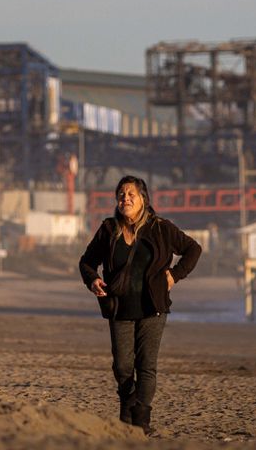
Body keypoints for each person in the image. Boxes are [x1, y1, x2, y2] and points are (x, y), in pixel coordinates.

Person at [79, 175, 202, 436]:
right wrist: (93, 280)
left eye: (131, 194)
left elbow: (193, 249)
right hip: (119, 307)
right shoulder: (108, 229)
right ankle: (128, 402)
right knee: (122, 365)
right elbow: (87, 262)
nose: (125, 198)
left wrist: (174, 275)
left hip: (152, 307)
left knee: (146, 365)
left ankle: (139, 420)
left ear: (143, 199)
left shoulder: (161, 228)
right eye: (121, 194)